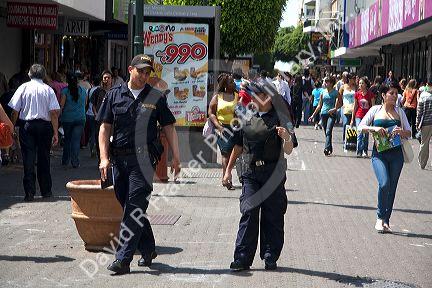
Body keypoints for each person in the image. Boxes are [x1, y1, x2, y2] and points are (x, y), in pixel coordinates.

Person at [98, 55, 180, 275]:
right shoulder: (114, 95)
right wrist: (104, 158)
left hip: (144, 161)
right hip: (118, 160)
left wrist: (176, 157)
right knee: (130, 206)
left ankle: (123, 259)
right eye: (141, 71)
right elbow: (105, 128)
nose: (144, 76)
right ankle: (148, 248)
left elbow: (169, 126)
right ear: (130, 69)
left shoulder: (155, 97)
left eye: (148, 72)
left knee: (134, 207)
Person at [222, 80, 293, 272]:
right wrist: (228, 171)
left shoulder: (281, 116)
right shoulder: (243, 114)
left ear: (268, 97)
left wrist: (286, 137)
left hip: (273, 173)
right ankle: (242, 258)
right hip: (250, 172)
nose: (253, 98)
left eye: (258, 95)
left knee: (273, 215)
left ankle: (270, 255)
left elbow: (289, 149)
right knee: (248, 212)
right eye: (252, 95)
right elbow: (237, 145)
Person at [358, 82, 411, 233]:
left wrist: (402, 132)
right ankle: (380, 217)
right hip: (379, 154)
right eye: (391, 93)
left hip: (396, 155)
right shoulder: (375, 110)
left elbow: (409, 132)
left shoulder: (400, 112)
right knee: (384, 183)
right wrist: (375, 128)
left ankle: (386, 221)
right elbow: (361, 126)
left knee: (392, 187)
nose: (395, 96)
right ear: (383, 95)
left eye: (396, 93)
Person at [8, 64, 60, 201]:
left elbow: (14, 111)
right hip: (45, 126)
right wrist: (56, 132)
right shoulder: (48, 90)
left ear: (30, 75)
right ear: (43, 75)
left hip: (27, 126)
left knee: (28, 159)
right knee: (44, 158)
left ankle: (29, 192)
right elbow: (54, 113)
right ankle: (46, 190)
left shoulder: (23, 88)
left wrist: (12, 126)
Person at [208, 73, 238, 189]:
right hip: (221, 128)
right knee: (225, 153)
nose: (234, 83)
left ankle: (225, 176)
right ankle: (227, 179)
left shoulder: (237, 96)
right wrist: (217, 125)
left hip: (235, 128)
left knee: (231, 154)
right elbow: (211, 112)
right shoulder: (217, 97)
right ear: (225, 85)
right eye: (231, 82)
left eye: (233, 81)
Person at [309, 76, 342, 156]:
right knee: (327, 132)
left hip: (331, 114)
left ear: (331, 83)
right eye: (325, 82)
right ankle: (330, 147)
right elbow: (319, 105)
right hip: (323, 114)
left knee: (328, 130)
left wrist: (334, 109)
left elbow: (341, 103)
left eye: (327, 82)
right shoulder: (322, 92)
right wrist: (313, 115)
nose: (325, 83)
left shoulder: (336, 92)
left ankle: (326, 148)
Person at [60, 73, 86, 168]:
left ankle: (65, 160)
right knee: (76, 140)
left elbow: (61, 106)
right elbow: (85, 103)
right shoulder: (83, 91)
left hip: (67, 119)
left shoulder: (65, 91)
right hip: (80, 118)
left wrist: (58, 117)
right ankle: (75, 162)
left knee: (67, 140)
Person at [90, 70, 113, 160]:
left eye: (108, 78)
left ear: (111, 79)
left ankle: (109, 158)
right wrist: (96, 114)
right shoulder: (98, 91)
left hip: (111, 121)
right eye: (105, 78)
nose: (106, 79)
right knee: (99, 139)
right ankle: (101, 158)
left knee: (110, 140)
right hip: (99, 121)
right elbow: (93, 105)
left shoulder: (115, 91)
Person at [351, 77, 375, 157]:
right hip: (359, 115)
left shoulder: (370, 94)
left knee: (365, 135)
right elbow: (355, 106)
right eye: (360, 83)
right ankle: (359, 151)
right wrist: (352, 119)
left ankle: (365, 150)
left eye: (362, 83)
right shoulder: (357, 94)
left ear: (366, 84)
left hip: (367, 116)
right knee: (359, 132)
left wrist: (373, 119)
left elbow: (373, 107)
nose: (360, 85)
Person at [416, 80, 432, 169]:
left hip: (426, 123)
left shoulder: (423, 96)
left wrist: (417, 123)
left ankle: (422, 163)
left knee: (424, 143)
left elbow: (419, 111)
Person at [339, 73, 357, 145]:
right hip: (345, 108)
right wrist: (340, 105)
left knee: (353, 124)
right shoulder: (343, 87)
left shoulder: (356, 87)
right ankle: (345, 140)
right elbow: (339, 97)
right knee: (345, 123)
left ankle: (351, 141)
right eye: (353, 78)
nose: (355, 80)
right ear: (349, 79)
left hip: (353, 108)